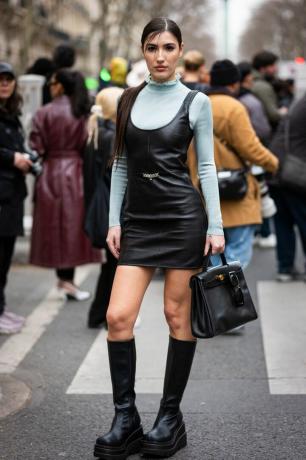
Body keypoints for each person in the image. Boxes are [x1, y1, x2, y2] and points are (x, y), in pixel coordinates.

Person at [93, 17, 225, 460]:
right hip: (138, 222)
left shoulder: (196, 102)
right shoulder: (128, 99)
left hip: (183, 219)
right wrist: (114, 221)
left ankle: (169, 417)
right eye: (153, 47)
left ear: (181, 50)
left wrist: (216, 225)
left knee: (175, 317)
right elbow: (122, 166)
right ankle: (124, 417)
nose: (161, 55)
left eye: (169, 47)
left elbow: (205, 168)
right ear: (144, 51)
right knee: (118, 317)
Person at [30, 69, 100, 300]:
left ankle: (64, 280)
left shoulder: (43, 113)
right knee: (72, 227)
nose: (50, 86)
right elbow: (87, 143)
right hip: (75, 173)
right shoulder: (80, 112)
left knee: (54, 227)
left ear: (59, 86)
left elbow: (36, 147)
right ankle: (67, 280)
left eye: (52, 83)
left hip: (50, 172)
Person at [206, 59, 279, 269]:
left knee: (214, 253)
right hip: (235, 188)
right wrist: (274, 163)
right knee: (237, 255)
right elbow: (251, 148)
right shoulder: (234, 107)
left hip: (204, 189)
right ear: (234, 83)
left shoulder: (197, 104)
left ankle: (212, 298)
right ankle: (224, 300)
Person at [83, 87, 124, 328]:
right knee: (116, 266)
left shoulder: (94, 134)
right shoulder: (111, 137)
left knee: (110, 265)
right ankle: (109, 314)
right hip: (113, 210)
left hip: (100, 208)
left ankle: (98, 313)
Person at [0, 62, 31, 334]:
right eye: (1, 80)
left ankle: (1, 307)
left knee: (5, 254)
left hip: (12, 194)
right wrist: (13, 158)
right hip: (2, 194)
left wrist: (27, 157)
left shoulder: (11, 114)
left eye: (9, 79)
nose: (5, 84)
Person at [237, 61, 276, 249]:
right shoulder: (251, 101)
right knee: (259, 193)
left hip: (232, 161)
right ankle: (265, 232)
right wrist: (272, 162)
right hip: (252, 156)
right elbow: (263, 129)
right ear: (247, 78)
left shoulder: (233, 101)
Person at [269, 94, 306, 281]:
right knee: (303, 220)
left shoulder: (298, 102)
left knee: (283, 222)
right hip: (296, 173)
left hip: (278, 167)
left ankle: (285, 267)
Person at [252, 50, 286, 130]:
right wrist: (283, 112)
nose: (275, 69)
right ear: (262, 68)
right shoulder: (262, 86)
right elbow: (273, 115)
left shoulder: (253, 81)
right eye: (272, 66)